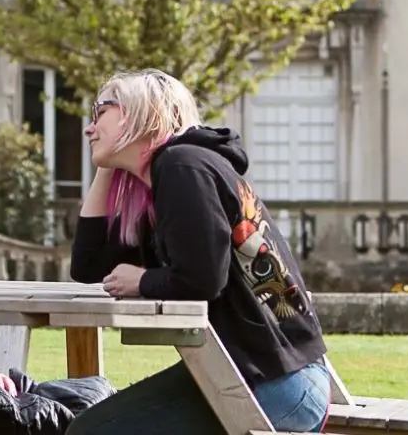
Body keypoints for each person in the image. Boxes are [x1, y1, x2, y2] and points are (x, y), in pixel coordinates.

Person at [64, 69, 332, 435]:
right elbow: (89, 265)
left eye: (100, 112)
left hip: (276, 383)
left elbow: (202, 279)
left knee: (93, 432)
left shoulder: (183, 167)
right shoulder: (166, 179)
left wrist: (142, 281)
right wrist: (106, 167)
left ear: (141, 113)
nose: (88, 128)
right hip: (262, 372)